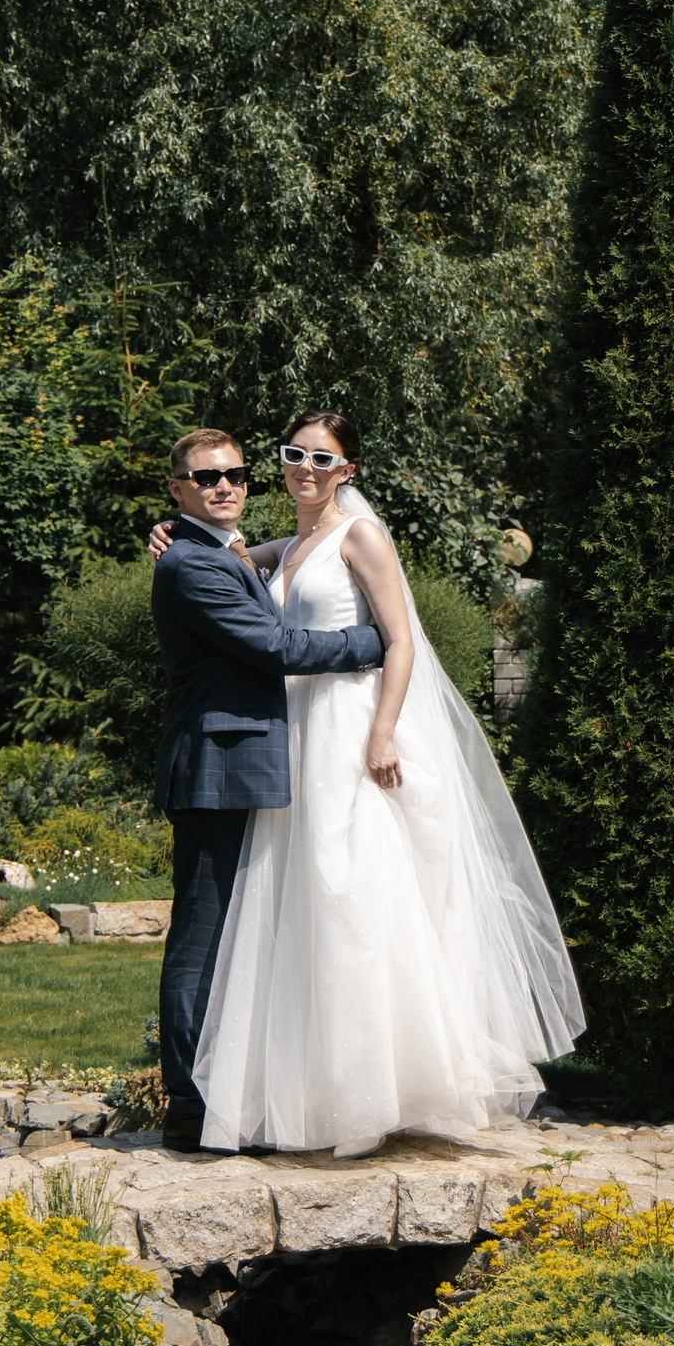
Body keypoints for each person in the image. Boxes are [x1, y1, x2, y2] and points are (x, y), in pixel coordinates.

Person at [150, 412, 584, 1157]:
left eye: (323, 458)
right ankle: (290, 1091)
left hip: (351, 733)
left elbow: (403, 639)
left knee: (359, 898)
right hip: (293, 745)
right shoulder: (279, 546)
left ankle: (381, 1084)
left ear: (348, 469)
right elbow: (247, 578)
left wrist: (382, 728)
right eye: (293, 455)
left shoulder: (361, 535)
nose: (304, 468)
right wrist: (177, 534)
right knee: (295, 909)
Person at [149, 427, 390, 1154]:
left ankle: (234, 1092)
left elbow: (278, 561)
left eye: (236, 473)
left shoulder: (224, 552)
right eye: (206, 476)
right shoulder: (192, 565)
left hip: (247, 763)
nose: (224, 485)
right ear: (179, 488)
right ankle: (189, 1107)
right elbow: (276, 645)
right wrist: (371, 643)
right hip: (214, 767)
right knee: (201, 937)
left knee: (236, 936)